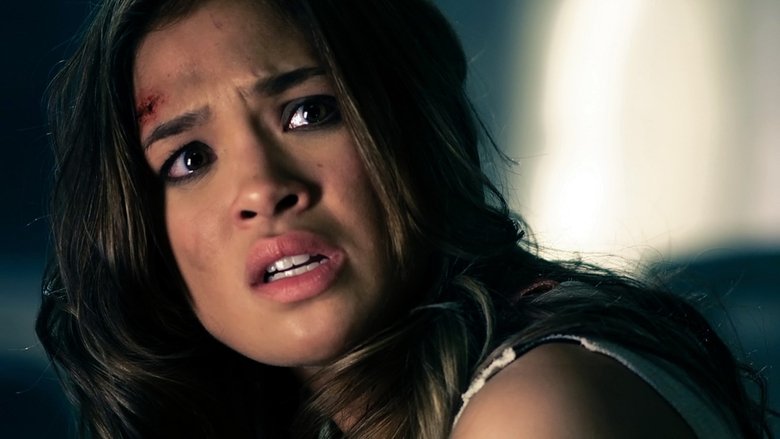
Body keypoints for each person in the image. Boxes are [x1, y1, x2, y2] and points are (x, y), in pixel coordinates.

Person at [36, 0, 773, 437]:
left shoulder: (537, 409)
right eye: (190, 158)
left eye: (308, 112)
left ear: (413, 125)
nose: (262, 188)